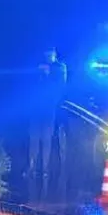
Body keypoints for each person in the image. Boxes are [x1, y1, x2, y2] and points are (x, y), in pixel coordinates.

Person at [27, 47, 68, 182]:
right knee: (34, 138)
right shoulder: (39, 67)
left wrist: (48, 74)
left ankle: (45, 169)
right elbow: (32, 87)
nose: (48, 56)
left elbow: (59, 88)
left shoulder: (60, 68)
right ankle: (31, 167)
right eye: (46, 54)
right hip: (36, 110)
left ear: (55, 54)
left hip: (50, 110)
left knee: (46, 138)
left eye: (50, 54)